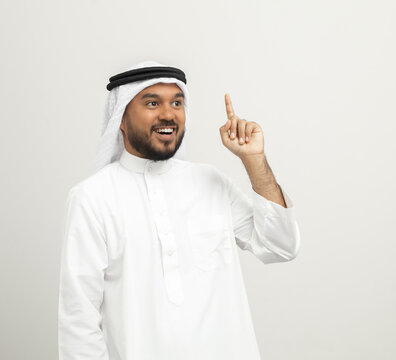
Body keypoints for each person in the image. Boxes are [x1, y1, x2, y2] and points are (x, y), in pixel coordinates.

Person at [58, 61, 301, 360]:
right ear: (120, 117)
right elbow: (78, 321)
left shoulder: (211, 182)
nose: (168, 113)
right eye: (152, 102)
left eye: (177, 102)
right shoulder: (92, 198)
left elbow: (282, 246)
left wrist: (254, 161)